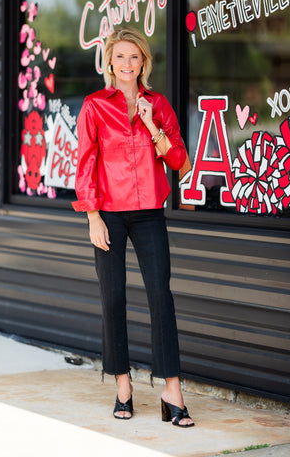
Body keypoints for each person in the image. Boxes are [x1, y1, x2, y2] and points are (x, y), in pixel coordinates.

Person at [72, 26, 194, 427]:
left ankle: (171, 389)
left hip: (149, 214)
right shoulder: (94, 105)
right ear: (109, 61)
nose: (127, 64)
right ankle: (123, 385)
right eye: (120, 57)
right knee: (113, 297)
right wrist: (92, 217)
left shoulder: (157, 104)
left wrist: (151, 124)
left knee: (161, 295)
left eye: (134, 57)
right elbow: (86, 163)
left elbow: (179, 161)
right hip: (108, 214)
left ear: (144, 62)